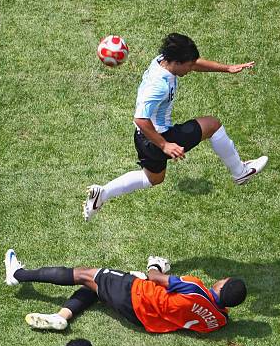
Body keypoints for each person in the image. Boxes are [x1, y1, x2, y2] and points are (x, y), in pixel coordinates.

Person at [83, 32, 268, 221]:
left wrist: (227, 68)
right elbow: (140, 119)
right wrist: (165, 145)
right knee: (213, 125)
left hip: (143, 139)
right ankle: (240, 172)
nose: (190, 69)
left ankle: (102, 194)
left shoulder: (163, 60)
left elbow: (194, 63)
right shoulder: (159, 85)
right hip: (158, 137)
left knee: (153, 179)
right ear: (177, 62)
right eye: (188, 65)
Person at [5, 249, 247, 333]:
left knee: (85, 274)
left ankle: (18, 275)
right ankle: (62, 317)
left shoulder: (195, 286)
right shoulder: (220, 321)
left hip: (136, 295)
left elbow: (156, 277)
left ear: (222, 285)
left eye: (224, 280)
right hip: (146, 320)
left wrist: (155, 266)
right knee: (95, 288)